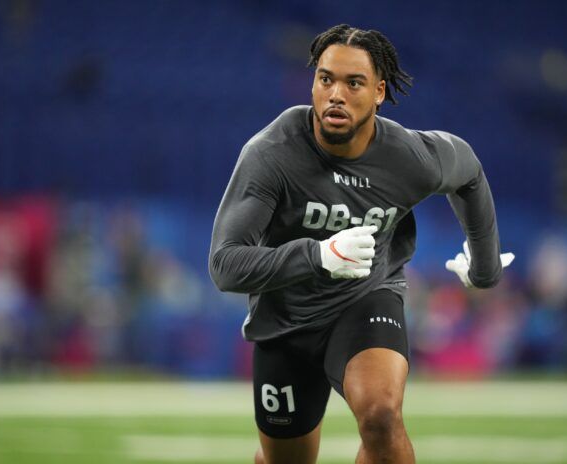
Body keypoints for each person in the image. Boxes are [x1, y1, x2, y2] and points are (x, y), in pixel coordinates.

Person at [209, 24, 514, 464]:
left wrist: (485, 268)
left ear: (379, 92)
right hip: (286, 320)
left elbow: (467, 170)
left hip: (366, 299)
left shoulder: (407, 157)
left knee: (381, 417)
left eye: (354, 83)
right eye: (325, 78)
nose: (335, 94)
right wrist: (320, 255)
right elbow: (225, 265)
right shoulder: (271, 153)